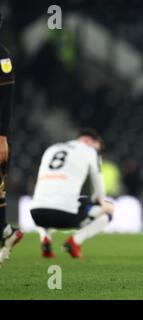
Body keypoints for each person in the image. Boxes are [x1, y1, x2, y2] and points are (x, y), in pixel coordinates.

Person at [30, 129, 114, 258]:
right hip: (65, 215)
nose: (98, 152)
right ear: (88, 141)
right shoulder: (89, 151)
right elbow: (99, 192)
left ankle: (45, 238)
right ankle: (74, 242)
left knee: (44, 201)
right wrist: (100, 203)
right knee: (109, 209)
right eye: (97, 148)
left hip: (37, 213)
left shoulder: (51, 149)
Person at [0, 13, 24, 267]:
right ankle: (6, 232)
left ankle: (6, 231)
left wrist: (2, 137)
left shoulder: (2, 57)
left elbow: (6, 100)